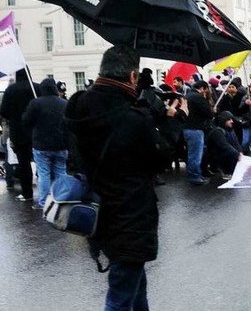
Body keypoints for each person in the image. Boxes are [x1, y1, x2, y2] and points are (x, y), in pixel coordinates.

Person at [64, 45, 168, 310]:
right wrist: (168, 121)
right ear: (133, 77)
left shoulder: (78, 107)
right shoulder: (134, 118)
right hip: (129, 214)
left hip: (96, 210)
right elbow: (159, 160)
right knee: (121, 296)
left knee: (134, 283)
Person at [22, 78, 68, 209]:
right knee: (61, 173)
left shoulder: (36, 103)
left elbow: (26, 120)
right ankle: (61, 199)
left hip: (41, 144)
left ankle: (43, 202)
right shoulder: (63, 103)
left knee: (44, 174)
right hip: (60, 144)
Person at [0, 68, 40, 202]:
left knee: (24, 164)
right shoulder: (37, 88)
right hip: (36, 131)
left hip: (19, 132)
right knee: (42, 164)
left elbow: (4, 111)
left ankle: (27, 193)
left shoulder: (11, 90)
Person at [183, 81, 213, 185]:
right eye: (206, 89)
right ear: (202, 88)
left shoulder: (187, 96)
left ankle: (196, 174)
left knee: (192, 153)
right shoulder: (198, 98)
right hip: (195, 128)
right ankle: (194, 176)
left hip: (187, 128)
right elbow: (208, 113)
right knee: (195, 155)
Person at [205, 111, 242, 180]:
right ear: (224, 120)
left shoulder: (230, 130)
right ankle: (226, 171)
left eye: (232, 119)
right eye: (229, 119)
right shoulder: (217, 132)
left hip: (220, 155)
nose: (232, 121)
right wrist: (237, 154)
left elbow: (236, 143)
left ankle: (228, 169)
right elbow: (224, 146)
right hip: (215, 156)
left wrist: (240, 152)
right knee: (230, 152)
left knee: (234, 152)